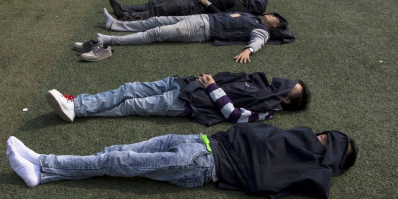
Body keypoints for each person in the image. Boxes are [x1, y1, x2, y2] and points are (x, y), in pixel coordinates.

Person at [6, 123, 358, 199]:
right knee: (118, 149)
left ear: (332, 156)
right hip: (200, 140)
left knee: (119, 160)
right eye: (328, 135)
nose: (322, 137)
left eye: (331, 143)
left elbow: (321, 185)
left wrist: (326, 163)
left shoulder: (311, 162)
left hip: (202, 163)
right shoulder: (302, 141)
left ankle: (43, 162)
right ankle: (44, 174)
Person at [46, 72, 310, 126]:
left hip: (188, 103)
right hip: (184, 84)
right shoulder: (261, 83)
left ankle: (77, 107)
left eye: (290, 89)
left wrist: (213, 87)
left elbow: (234, 115)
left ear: (287, 101)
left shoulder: (267, 110)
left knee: (129, 104)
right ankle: (77, 105)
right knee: (129, 87)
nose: (284, 83)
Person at [76, 5, 294, 62]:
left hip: (201, 29)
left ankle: (109, 40)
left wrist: (249, 50)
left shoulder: (262, 30)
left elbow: (259, 41)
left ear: (274, 26)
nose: (272, 14)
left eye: (276, 16)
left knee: (157, 32)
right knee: (156, 21)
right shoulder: (254, 18)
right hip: (201, 18)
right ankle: (115, 25)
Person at [108, 0, 267, 20]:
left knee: (160, 10)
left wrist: (207, 3)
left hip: (194, 7)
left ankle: (125, 17)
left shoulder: (240, 10)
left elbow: (222, 18)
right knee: (155, 3)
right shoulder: (239, 4)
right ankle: (124, 7)